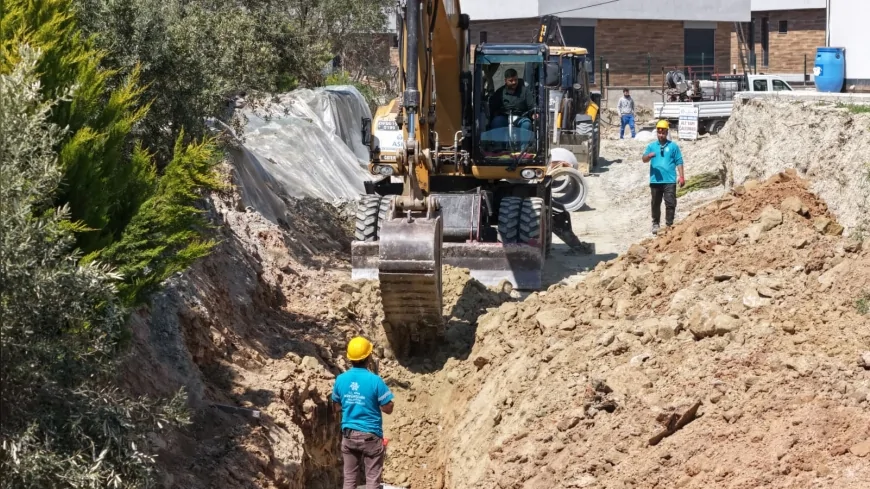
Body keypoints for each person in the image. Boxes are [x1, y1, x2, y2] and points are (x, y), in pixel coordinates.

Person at [332, 336, 394, 489]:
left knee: (349, 480)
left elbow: (336, 407)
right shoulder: (375, 380)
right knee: (372, 480)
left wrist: (351, 402)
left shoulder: (340, 379)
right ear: (369, 357)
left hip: (349, 435)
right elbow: (388, 408)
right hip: (371, 436)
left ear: (350, 359)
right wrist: (371, 402)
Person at [641, 120, 685, 235]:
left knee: (670, 203)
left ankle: (669, 224)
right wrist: (649, 156)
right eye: (659, 133)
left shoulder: (673, 147)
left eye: (663, 133)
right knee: (655, 203)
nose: (661, 135)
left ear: (666, 132)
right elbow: (644, 159)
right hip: (655, 181)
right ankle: (655, 223)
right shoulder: (651, 146)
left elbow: (679, 161)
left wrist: (681, 177)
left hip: (669, 180)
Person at [489, 68, 536, 140]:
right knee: (496, 122)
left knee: (526, 124)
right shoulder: (500, 92)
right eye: (511, 81)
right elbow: (493, 106)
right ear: (505, 80)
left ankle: (523, 149)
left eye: (516, 80)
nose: (514, 82)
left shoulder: (525, 91)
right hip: (504, 117)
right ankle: (499, 148)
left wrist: (534, 113)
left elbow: (531, 105)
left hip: (521, 117)